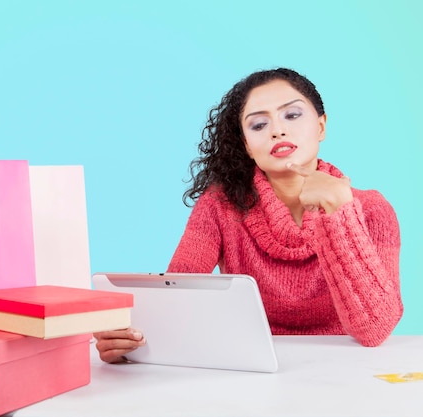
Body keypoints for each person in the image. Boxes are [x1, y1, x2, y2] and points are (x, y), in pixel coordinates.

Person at [94, 68, 403, 364]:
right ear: (247, 146)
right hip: (251, 369)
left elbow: (375, 329)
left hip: (347, 373)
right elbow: (179, 297)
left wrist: (338, 211)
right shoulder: (220, 205)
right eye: (258, 125)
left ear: (321, 126)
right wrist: (132, 342)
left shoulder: (372, 209)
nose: (278, 130)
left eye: (292, 115)